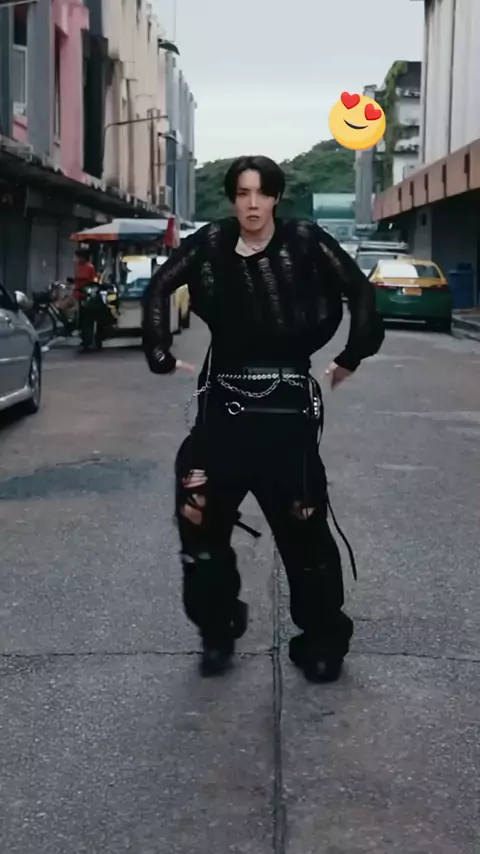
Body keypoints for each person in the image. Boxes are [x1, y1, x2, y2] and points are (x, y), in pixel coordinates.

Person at [142, 155, 385, 682]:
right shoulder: (211, 242)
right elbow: (160, 285)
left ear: (276, 197)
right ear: (233, 198)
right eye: (243, 194)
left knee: (306, 534)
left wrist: (351, 355)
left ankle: (322, 641)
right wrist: (158, 351)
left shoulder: (306, 240)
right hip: (222, 413)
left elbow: (360, 289)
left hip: (286, 415)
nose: (252, 204)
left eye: (262, 193)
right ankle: (216, 629)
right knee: (198, 523)